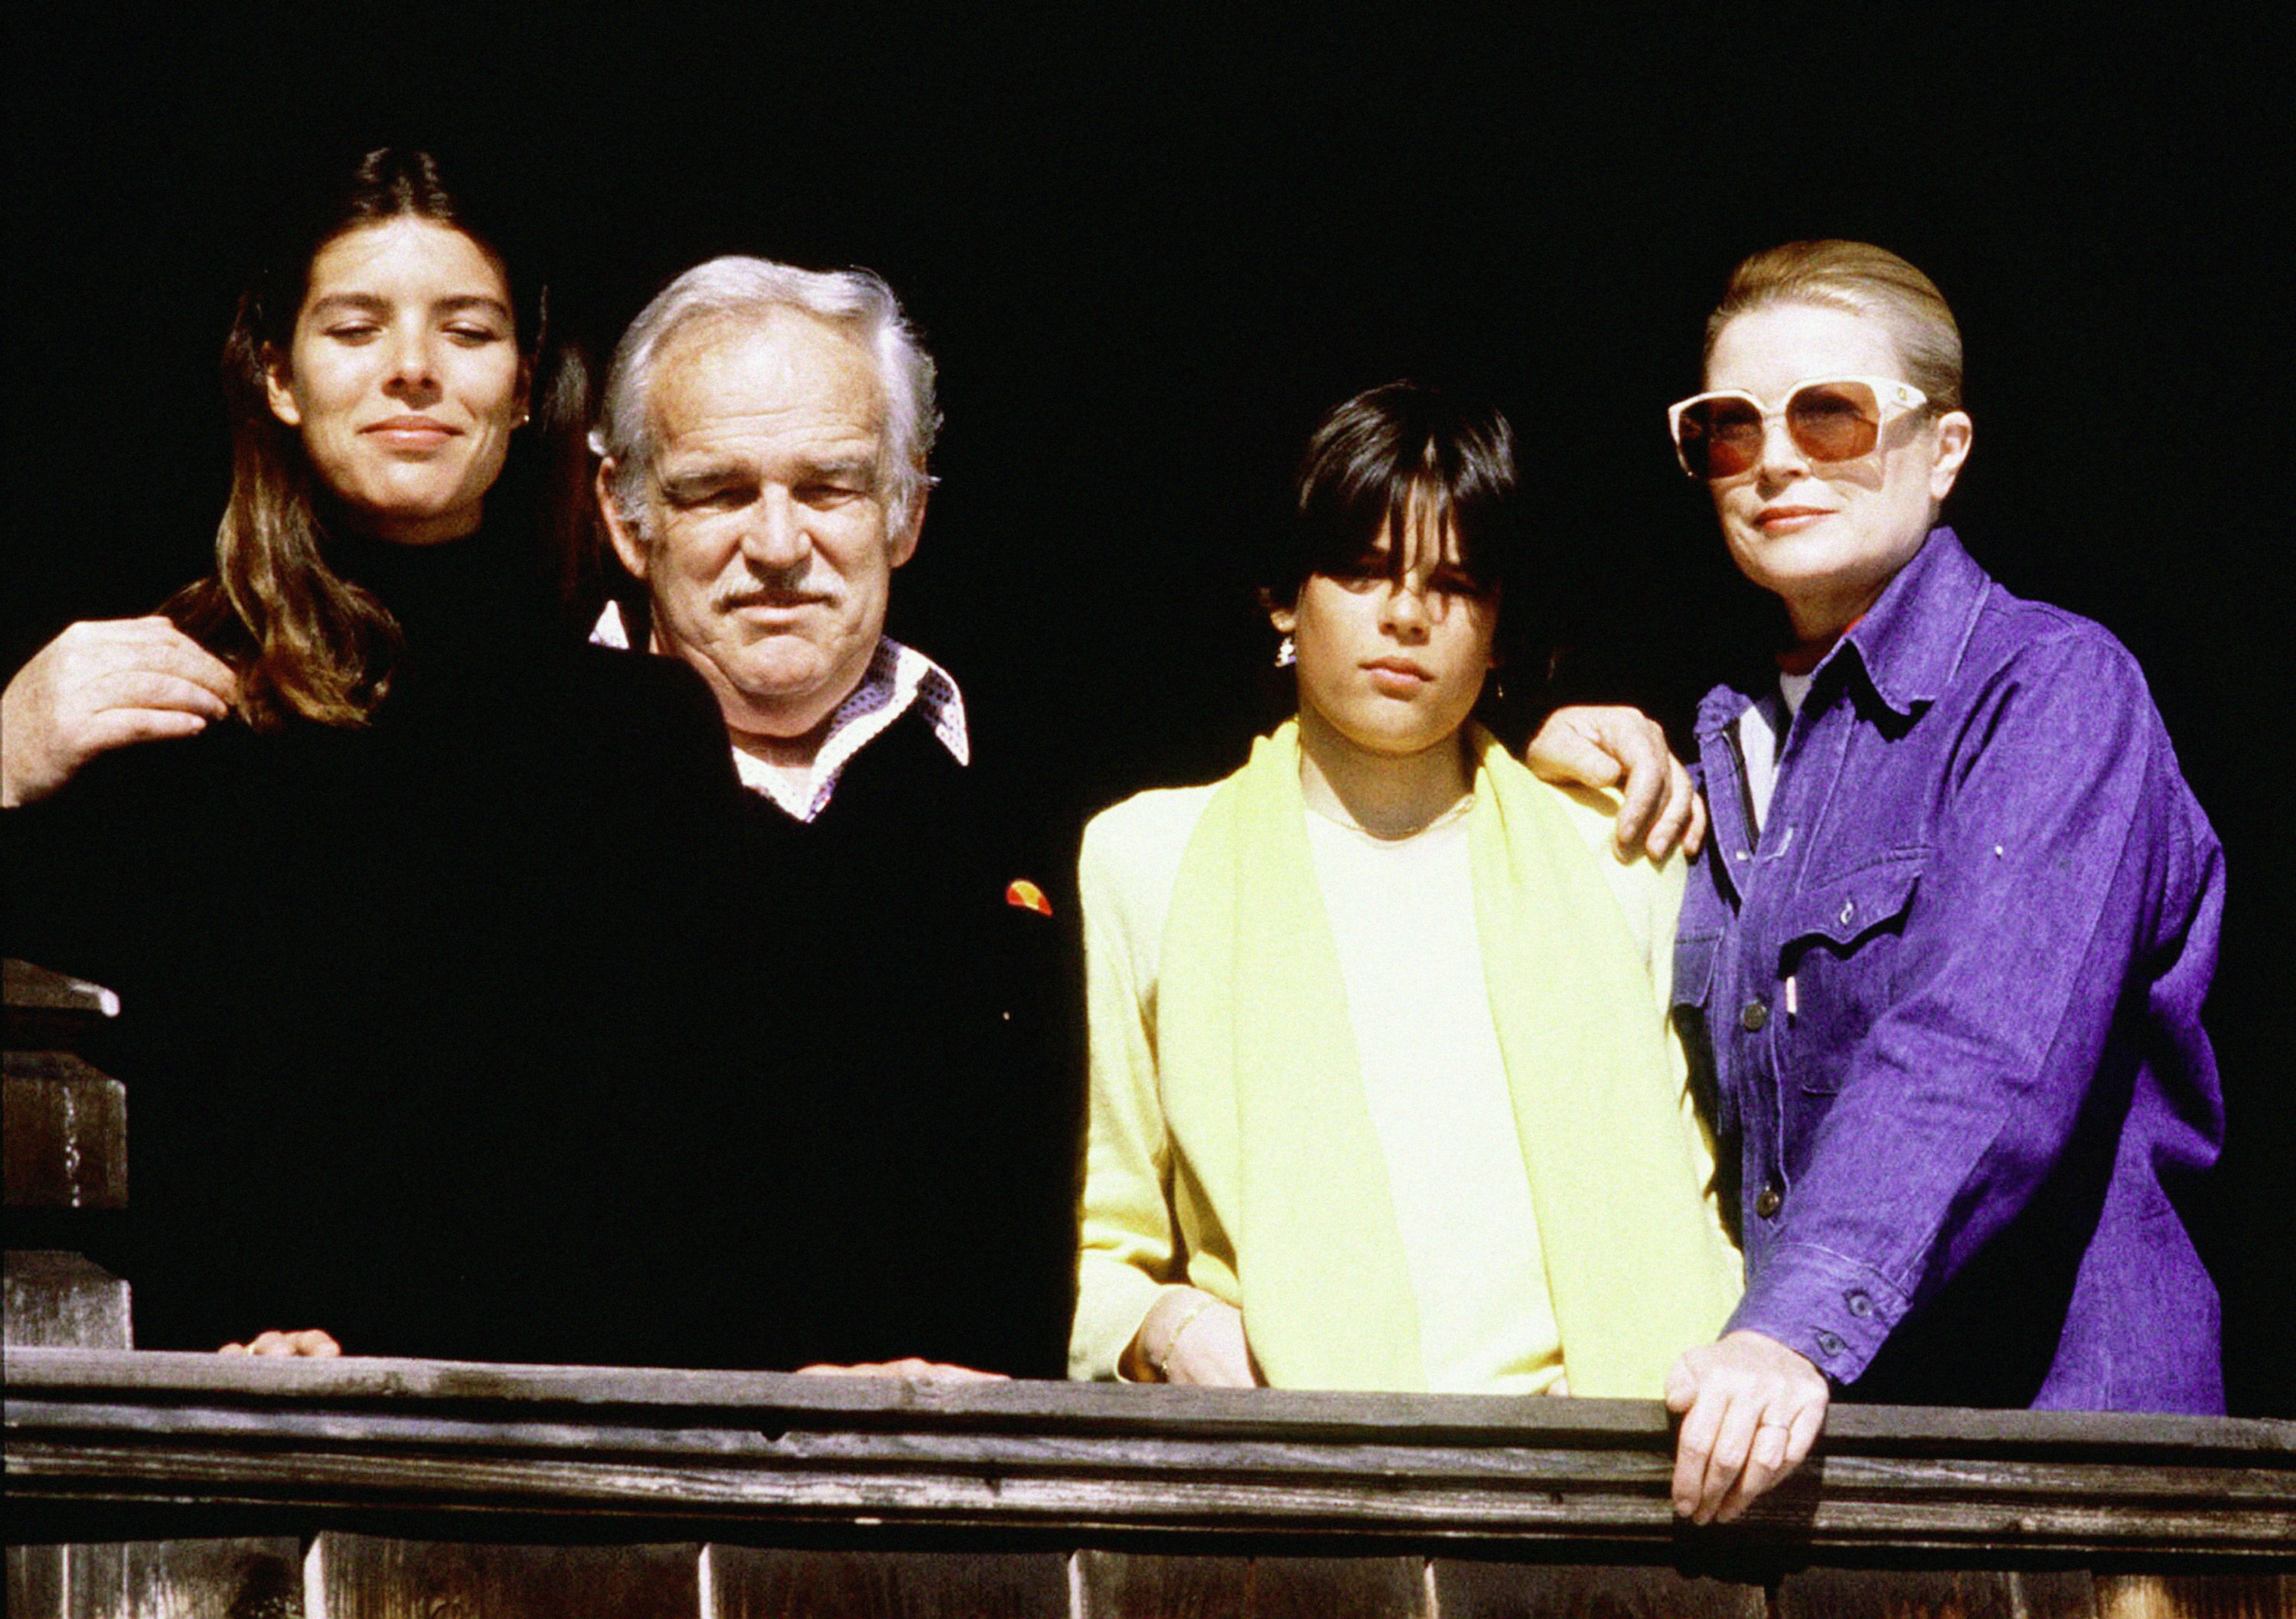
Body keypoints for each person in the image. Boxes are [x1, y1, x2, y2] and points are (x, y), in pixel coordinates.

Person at [0, 150, 744, 1363]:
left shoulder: (641, 733)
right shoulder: (165, 693)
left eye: (468, 329)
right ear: (280, 376)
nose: (414, 368)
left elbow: (694, 1145)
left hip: (567, 1440)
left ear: (520, 388)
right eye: (356, 327)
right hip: (238, 1435)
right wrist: (4, 761)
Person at [1623, 241, 2226, 1523]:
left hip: (2059, 1493)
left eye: (1829, 413)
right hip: (1808, 1488)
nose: (1777, 459)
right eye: (1730, 429)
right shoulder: (1719, 746)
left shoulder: (2056, 690)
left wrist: (1792, 1331)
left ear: (1944, 449)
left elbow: (1978, 1050)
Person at [1068, 383, 1740, 1395]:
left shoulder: (1620, 851)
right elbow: (1094, 1245)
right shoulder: (1143, 861)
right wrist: (1170, 1329)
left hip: (1610, 1478)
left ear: (1502, 624)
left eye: (1456, 583)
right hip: (1294, 1483)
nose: (1407, 616)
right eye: (1362, 570)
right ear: (1284, 599)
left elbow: (1726, 1197)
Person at [588, 257, 1081, 1379]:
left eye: (829, 488)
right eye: (718, 491)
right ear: (625, 516)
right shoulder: (508, 789)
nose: (775, 545)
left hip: (979, 1521)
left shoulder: (1029, 810)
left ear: (906, 511)